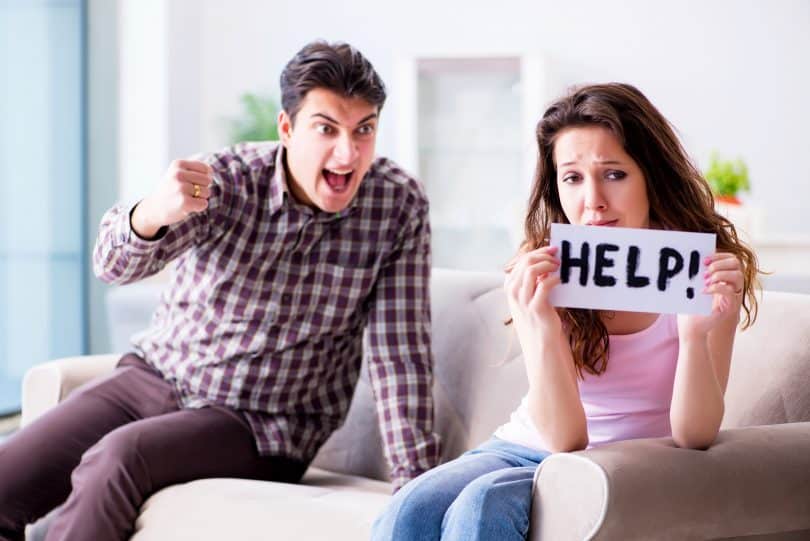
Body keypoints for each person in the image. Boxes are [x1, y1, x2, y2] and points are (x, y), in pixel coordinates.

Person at [0, 41, 440, 541]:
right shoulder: (227, 181)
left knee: (117, 459)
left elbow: (400, 355)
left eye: (364, 130)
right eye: (326, 128)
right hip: (153, 377)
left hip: (262, 424)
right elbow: (110, 266)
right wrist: (150, 216)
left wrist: (417, 492)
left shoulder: (397, 206)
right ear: (287, 128)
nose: (348, 152)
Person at [371, 82, 760, 541]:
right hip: (523, 445)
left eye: (613, 174)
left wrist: (696, 335)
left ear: (650, 174)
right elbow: (556, 431)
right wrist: (542, 326)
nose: (592, 200)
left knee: (481, 507)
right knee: (410, 507)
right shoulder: (549, 269)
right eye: (572, 177)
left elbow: (692, 436)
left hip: (618, 463)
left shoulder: (700, 271)